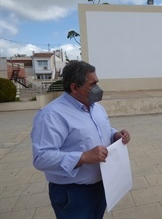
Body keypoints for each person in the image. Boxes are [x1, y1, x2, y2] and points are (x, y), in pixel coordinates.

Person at [31, 61, 130, 219]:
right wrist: (83, 157)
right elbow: (41, 158)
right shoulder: (52, 115)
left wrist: (115, 135)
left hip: (101, 186)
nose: (98, 88)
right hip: (73, 194)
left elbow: (99, 132)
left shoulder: (96, 107)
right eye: (93, 84)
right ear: (74, 87)